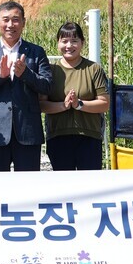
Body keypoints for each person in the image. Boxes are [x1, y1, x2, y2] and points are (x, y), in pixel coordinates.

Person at [0, 1, 52, 172]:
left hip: (28, 131)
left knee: (28, 188)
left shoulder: (36, 52)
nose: (10, 25)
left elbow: (48, 86)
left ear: (23, 22)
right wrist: (0, 77)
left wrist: (26, 74)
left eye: (15, 19)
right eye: (5, 20)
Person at [40, 22, 109, 171]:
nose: (69, 45)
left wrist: (79, 104)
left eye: (74, 41)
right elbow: (41, 104)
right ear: (58, 43)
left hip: (89, 137)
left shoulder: (93, 69)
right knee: (64, 189)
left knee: (89, 188)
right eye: (64, 41)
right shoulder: (50, 70)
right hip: (58, 137)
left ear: (82, 43)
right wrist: (63, 106)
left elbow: (104, 104)